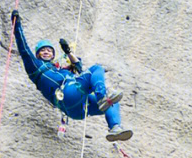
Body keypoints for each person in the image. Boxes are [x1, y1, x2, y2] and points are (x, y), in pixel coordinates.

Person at [10, 11, 132, 142]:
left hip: (76, 110)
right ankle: (102, 97)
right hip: (68, 94)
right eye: (43, 50)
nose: (46, 52)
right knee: (97, 69)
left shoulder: (59, 70)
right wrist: (16, 25)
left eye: (49, 50)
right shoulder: (35, 66)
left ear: (53, 55)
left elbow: (79, 68)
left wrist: (68, 52)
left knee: (113, 102)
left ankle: (115, 128)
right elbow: (24, 48)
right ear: (38, 54)